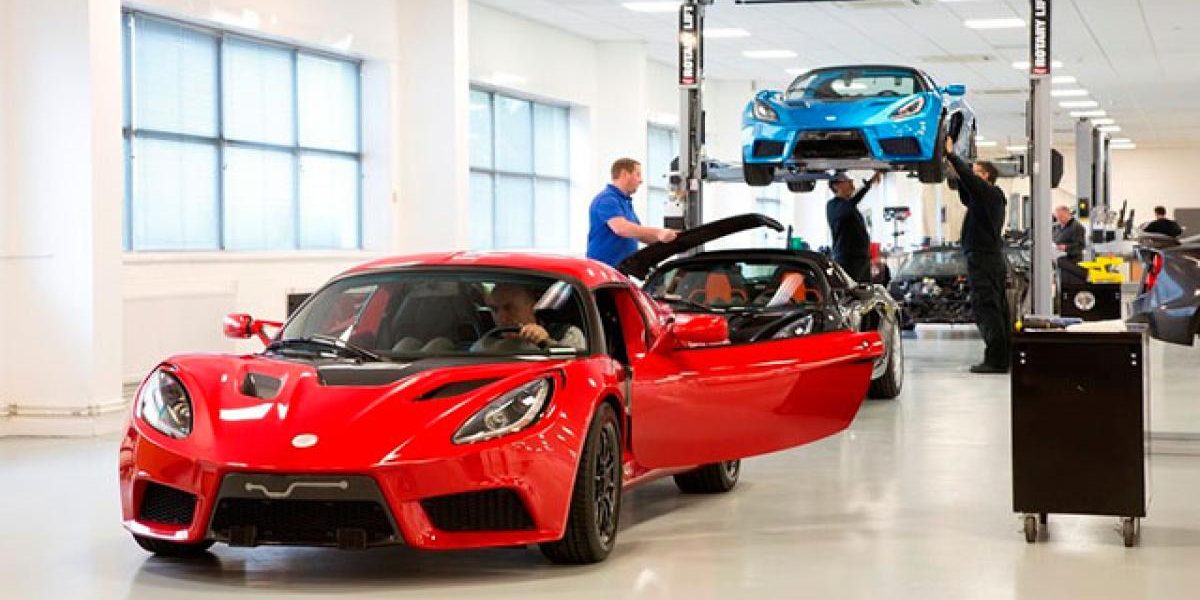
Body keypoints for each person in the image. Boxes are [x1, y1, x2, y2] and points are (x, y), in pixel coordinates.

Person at [945, 137, 1010, 374]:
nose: (972, 174)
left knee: (987, 308)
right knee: (995, 307)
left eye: (977, 172)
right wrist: (954, 170)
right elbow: (966, 191)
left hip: (984, 259)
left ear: (986, 176)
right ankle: (1003, 356)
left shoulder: (990, 194)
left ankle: (996, 360)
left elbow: (970, 182)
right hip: (987, 258)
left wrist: (953, 156)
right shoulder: (985, 199)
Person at [587, 158, 678, 268]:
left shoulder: (625, 202)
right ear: (624, 174)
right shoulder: (607, 199)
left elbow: (641, 234)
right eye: (638, 174)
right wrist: (659, 232)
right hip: (603, 269)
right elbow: (621, 228)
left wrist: (675, 239)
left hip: (621, 269)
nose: (641, 180)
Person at [474, 283, 586, 352]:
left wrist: (547, 343)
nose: (501, 318)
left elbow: (577, 370)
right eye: (495, 310)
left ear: (531, 305)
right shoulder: (486, 344)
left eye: (509, 308)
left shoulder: (565, 334)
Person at [825, 170, 882, 282]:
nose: (851, 183)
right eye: (847, 181)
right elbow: (851, 202)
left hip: (862, 259)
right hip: (847, 260)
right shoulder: (833, 206)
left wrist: (869, 183)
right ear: (836, 186)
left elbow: (852, 202)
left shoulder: (848, 206)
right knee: (849, 289)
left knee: (864, 290)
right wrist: (867, 186)